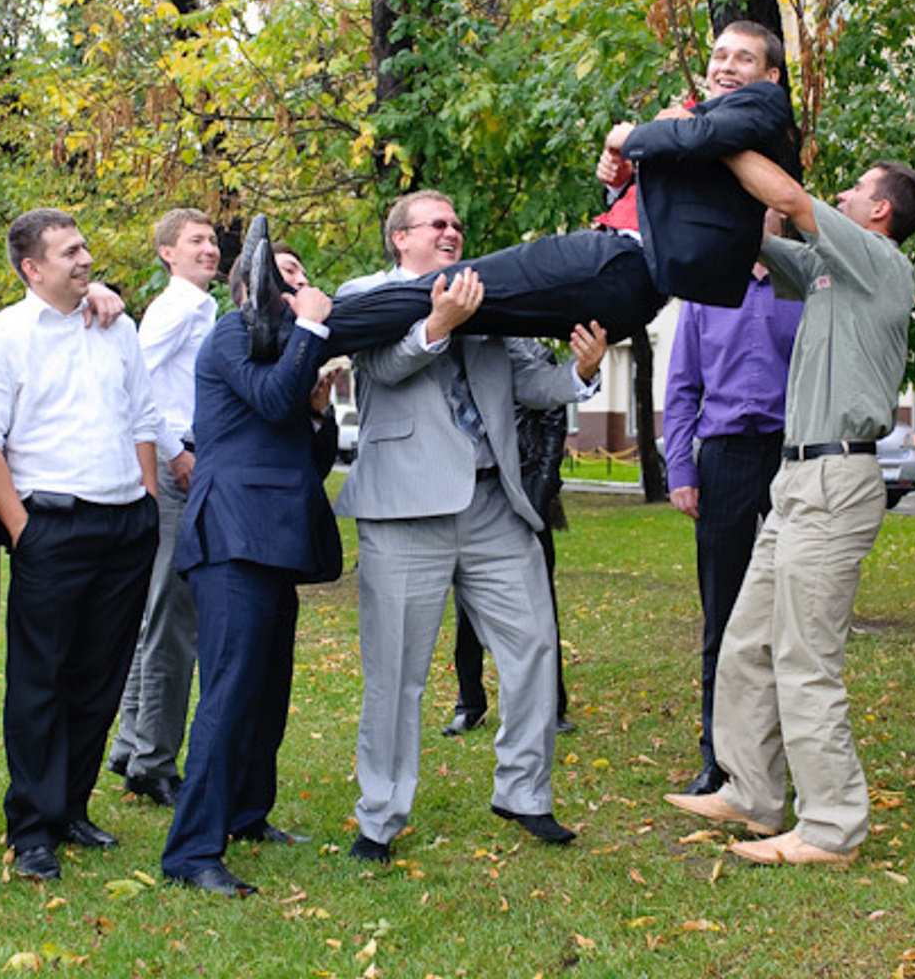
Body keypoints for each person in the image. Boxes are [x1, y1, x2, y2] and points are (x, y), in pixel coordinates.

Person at [665, 155, 915, 867]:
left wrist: (722, 141)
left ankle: (832, 826)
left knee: (806, 658)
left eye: (857, 188)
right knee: (746, 641)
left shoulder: (876, 261)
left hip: (836, 480)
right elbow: (750, 241)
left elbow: (787, 196)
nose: (843, 192)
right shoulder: (825, 270)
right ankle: (751, 792)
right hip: (795, 479)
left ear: (880, 212)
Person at [242, 22, 798, 360]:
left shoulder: (760, 105)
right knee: (453, 304)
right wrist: (623, 178)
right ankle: (296, 333)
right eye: (720, 55)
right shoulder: (709, 122)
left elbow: (697, 136)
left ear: (770, 75)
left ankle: (296, 325)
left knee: (446, 287)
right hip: (624, 282)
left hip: (618, 262)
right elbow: (684, 185)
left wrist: (627, 136)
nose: (726, 66)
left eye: (743, 58)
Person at [335, 191, 608, 863]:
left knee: (534, 646)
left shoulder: (491, 295)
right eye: (437, 223)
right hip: (404, 513)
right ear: (401, 238)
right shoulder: (365, 294)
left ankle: (524, 792)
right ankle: (380, 816)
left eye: (458, 223)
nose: (452, 231)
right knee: (396, 673)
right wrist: (438, 323)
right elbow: (384, 366)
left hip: (494, 507)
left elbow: (531, 383)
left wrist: (581, 370)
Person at [0, 208, 160, 882]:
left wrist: (148, 501)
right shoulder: (4, 337)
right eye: (69, 251)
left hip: (126, 525)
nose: (84, 259)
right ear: (31, 268)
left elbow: (143, 417)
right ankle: (32, 826)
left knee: (99, 677)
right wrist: (23, 528)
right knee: (39, 681)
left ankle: (71, 807)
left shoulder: (116, 325)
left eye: (84, 247)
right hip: (51, 525)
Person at [161, 258, 340, 898]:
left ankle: (246, 813)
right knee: (230, 691)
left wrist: (317, 414)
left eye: (304, 275)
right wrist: (311, 331)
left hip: (278, 538)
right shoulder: (232, 333)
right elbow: (268, 398)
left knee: (267, 689)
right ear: (252, 286)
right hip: (232, 535)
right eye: (286, 275)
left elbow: (310, 459)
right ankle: (190, 852)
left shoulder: (280, 354)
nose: (301, 284)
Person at [663, 213, 802, 796]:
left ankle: (790, 756)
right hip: (723, 461)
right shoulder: (706, 289)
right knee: (722, 618)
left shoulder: (806, 284)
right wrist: (681, 468)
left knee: (793, 618)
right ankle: (717, 758)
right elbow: (681, 387)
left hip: (791, 457)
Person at [109, 210, 219, 807]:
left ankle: (130, 744)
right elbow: (136, 382)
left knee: (161, 613)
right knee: (174, 619)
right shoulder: (179, 307)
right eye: (195, 241)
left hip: (191, 463)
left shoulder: (199, 305)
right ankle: (153, 762)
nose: (209, 249)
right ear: (167, 253)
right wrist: (175, 453)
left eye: (212, 240)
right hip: (181, 470)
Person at [445, 339, 574, 738]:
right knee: (467, 610)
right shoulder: (471, 350)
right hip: (479, 490)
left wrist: (541, 488)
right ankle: (469, 702)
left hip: (527, 490)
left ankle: (552, 704)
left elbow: (553, 425)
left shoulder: (534, 354)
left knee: (539, 607)